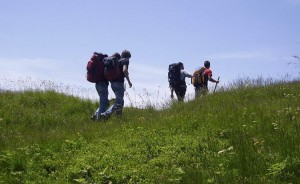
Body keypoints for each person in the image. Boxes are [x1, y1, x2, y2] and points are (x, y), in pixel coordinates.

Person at [101, 50, 132, 118]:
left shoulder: (117, 61)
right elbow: (124, 70)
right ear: (128, 56)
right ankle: (106, 114)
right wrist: (129, 81)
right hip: (119, 83)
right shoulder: (125, 60)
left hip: (112, 83)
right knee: (118, 102)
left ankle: (119, 117)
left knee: (121, 101)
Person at [91, 52, 109, 121]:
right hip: (103, 84)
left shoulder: (97, 64)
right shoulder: (103, 64)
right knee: (103, 103)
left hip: (97, 84)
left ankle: (95, 115)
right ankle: (98, 120)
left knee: (106, 103)